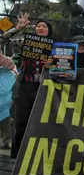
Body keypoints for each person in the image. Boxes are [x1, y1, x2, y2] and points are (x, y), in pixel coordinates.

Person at [11, 19, 53, 159]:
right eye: (38, 26)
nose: (40, 28)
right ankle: (18, 158)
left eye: (44, 26)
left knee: (42, 124)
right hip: (23, 87)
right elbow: (3, 41)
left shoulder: (55, 48)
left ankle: (38, 157)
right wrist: (17, 28)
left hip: (44, 88)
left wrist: (53, 64)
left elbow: (67, 66)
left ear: (49, 30)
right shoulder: (25, 42)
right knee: (20, 123)